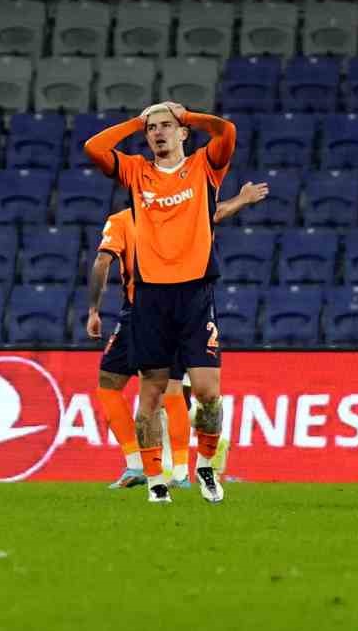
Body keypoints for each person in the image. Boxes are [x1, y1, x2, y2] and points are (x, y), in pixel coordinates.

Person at [83, 101, 236, 504]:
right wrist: (136, 120)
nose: (159, 132)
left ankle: (205, 465)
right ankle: (155, 482)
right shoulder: (137, 171)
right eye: (153, 128)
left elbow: (227, 132)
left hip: (196, 293)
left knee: (207, 393)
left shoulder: (204, 166)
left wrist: (188, 115)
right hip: (151, 296)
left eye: (167, 126)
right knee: (151, 393)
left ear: (183, 132)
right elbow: (94, 148)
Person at [89, 181, 268, 489]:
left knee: (116, 385)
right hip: (179, 309)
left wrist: (93, 308)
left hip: (141, 310)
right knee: (173, 390)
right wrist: (242, 199)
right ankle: (180, 471)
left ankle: (140, 465)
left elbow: (102, 261)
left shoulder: (120, 221)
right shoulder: (179, 215)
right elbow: (216, 213)